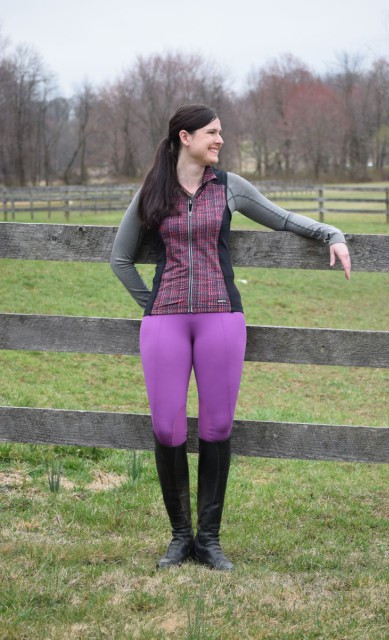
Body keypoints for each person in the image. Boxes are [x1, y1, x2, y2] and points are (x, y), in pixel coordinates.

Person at [110, 104, 351, 572]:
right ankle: (180, 538)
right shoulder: (152, 190)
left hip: (222, 318)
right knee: (167, 428)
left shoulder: (228, 187)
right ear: (185, 137)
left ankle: (209, 540)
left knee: (218, 427)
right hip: (166, 322)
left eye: (221, 133)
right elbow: (120, 259)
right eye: (212, 133)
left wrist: (331, 233)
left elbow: (283, 219)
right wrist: (154, 303)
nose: (220, 140)